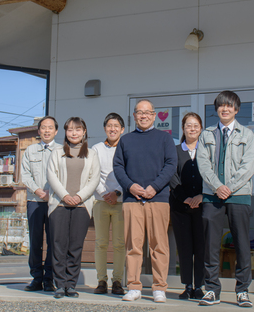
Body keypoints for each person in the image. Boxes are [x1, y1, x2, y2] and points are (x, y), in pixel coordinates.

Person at [113, 99, 178, 303]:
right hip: (132, 199)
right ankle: (133, 286)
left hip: (158, 198)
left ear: (154, 115)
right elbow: (118, 167)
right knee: (133, 245)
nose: (143, 116)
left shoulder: (165, 139)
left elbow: (171, 165)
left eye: (147, 112)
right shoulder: (125, 140)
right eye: (139, 112)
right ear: (134, 116)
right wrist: (130, 186)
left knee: (159, 245)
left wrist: (154, 187)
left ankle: (159, 287)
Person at [196, 91, 254, 307]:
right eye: (221, 105)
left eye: (229, 106)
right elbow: (203, 164)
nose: (225, 109)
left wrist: (228, 188)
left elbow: (248, 166)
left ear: (236, 109)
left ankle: (242, 291)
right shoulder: (207, 134)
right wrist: (217, 186)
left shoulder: (247, 134)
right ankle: (212, 289)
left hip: (238, 196)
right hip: (212, 196)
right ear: (216, 109)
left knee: (241, 243)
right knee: (211, 244)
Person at [46, 117, 100, 299]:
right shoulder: (57, 152)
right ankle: (59, 285)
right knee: (58, 245)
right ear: (65, 132)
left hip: (81, 206)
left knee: (75, 246)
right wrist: (65, 196)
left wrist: (78, 197)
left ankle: (71, 285)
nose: (74, 133)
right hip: (59, 205)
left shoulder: (91, 154)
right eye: (70, 130)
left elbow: (94, 179)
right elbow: (51, 176)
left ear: (84, 132)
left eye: (77, 129)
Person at [20, 116, 59, 292]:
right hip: (34, 201)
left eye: (50, 127)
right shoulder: (30, 150)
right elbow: (25, 175)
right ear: (39, 131)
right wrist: (38, 191)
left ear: (56, 131)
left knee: (53, 241)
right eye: (43, 127)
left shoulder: (61, 150)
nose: (47, 130)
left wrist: (52, 193)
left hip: (55, 202)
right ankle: (36, 277)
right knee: (35, 241)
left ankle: (49, 278)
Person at [170, 112, 205, 300]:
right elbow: (172, 176)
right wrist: (184, 198)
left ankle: (200, 285)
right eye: (188, 125)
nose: (192, 128)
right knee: (184, 247)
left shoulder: (207, 150)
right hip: (180, 208)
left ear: (201, 128)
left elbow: (210, 175)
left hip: (203, 206)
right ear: (183, 129)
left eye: (195, 125)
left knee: (201, 247)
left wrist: (200, 196)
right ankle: (188, 285)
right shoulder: (175, 151)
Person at [91, 113, 126, 295]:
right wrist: (105, 194)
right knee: (101, 243)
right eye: (109, 125)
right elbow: (93, 174)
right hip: (101, 201)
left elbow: (129, 174)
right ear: (105, 128)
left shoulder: (127, 147)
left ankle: (118, 281)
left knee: (120, 243)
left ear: (122, 129)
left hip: (121, 202)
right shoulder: (96, 149)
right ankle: (101, 281)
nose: (112, 129)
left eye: (116, 126)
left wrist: (117, 192)